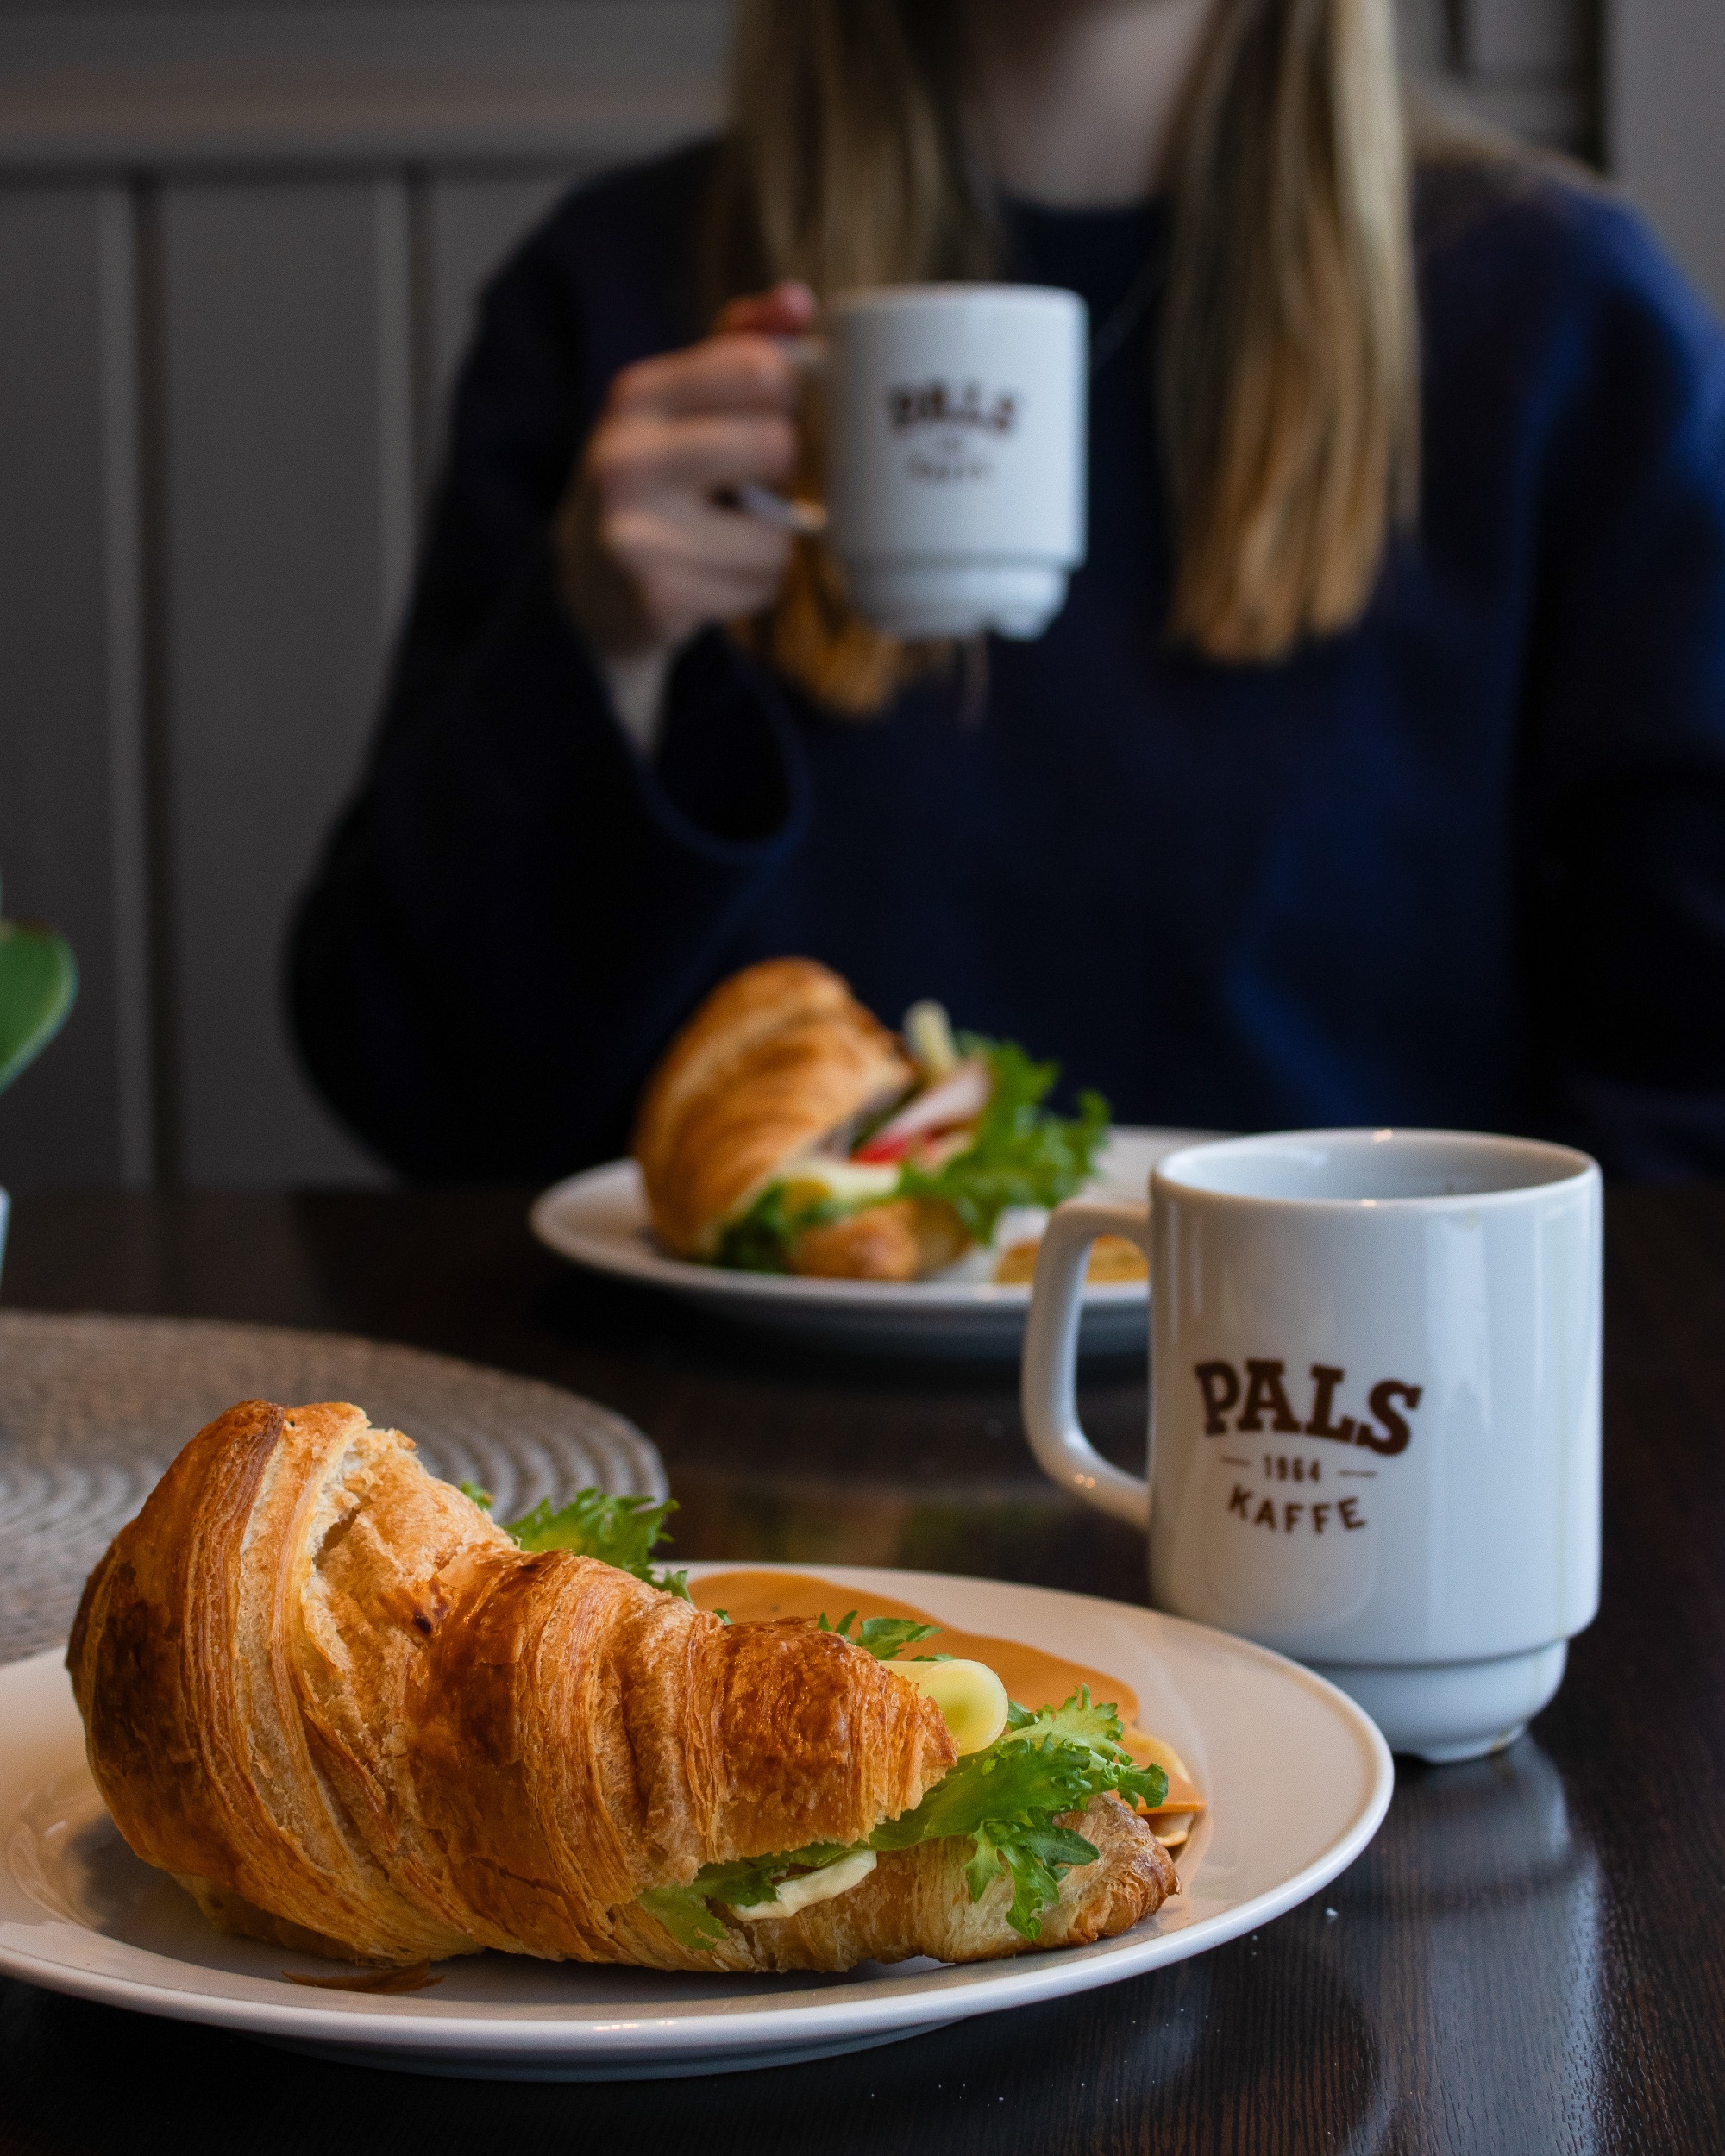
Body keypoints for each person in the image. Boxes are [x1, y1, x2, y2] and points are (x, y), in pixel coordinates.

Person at [290, 0, 1725, 1182]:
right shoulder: (614, 304)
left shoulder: (1557, 330)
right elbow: (416, 1086)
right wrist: (595, 651)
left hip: (1344, 1434)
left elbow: (1687, 1073)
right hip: (707, 1442)